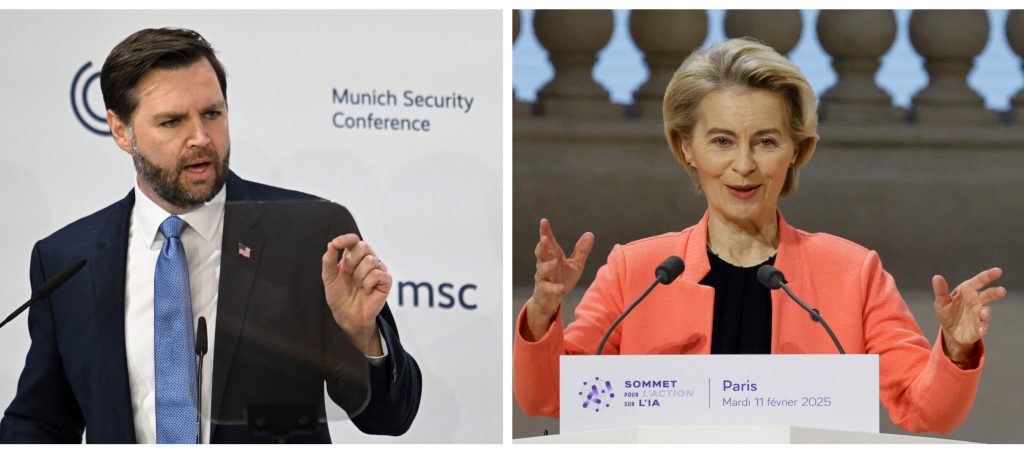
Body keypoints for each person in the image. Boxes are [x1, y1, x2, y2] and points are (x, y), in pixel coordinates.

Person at [513, 38, 1004, 434]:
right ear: (686, 148)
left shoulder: (853, 273)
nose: (744, 164)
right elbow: (551, 398)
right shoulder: (638, 271)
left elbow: (924, 410)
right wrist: (542, 314)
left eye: (766, 141)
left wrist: (956, 350)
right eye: (721, 141)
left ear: (796, 150)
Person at [0, 28, 421, 443]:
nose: (201, 138)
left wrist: (362, 335)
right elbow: (42, 423)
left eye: (212, 114)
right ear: (120, 130)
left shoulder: (310, 235)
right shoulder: (69, 261)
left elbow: (390, 417)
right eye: (171, 122)